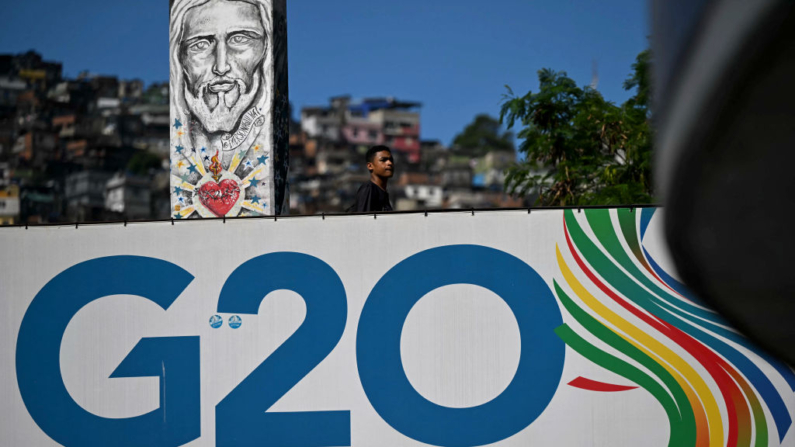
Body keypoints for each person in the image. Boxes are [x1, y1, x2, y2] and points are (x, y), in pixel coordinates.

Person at [350, 145, 395, 212]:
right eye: (383, 160)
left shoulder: (383, 192)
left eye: (391, 160)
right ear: (370, 166)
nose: (389, 163)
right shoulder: (369, 189)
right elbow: (363, 219)